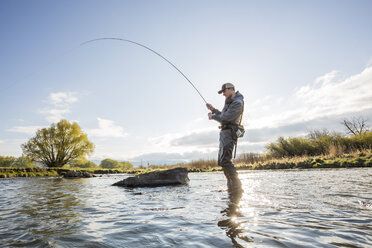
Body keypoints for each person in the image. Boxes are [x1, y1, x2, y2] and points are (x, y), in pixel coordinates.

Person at [206, 82, 244, 195]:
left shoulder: (237, 102)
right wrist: (213, 109)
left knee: (226, 161)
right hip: (225, 133)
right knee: (222, 161)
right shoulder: (230, 102)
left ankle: (237, 188)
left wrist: (213, 116)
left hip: (229, 133)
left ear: (231, 89)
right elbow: (223, 115)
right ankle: (231, 187)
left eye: (224, 91)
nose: (223, 94)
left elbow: (226, 118)